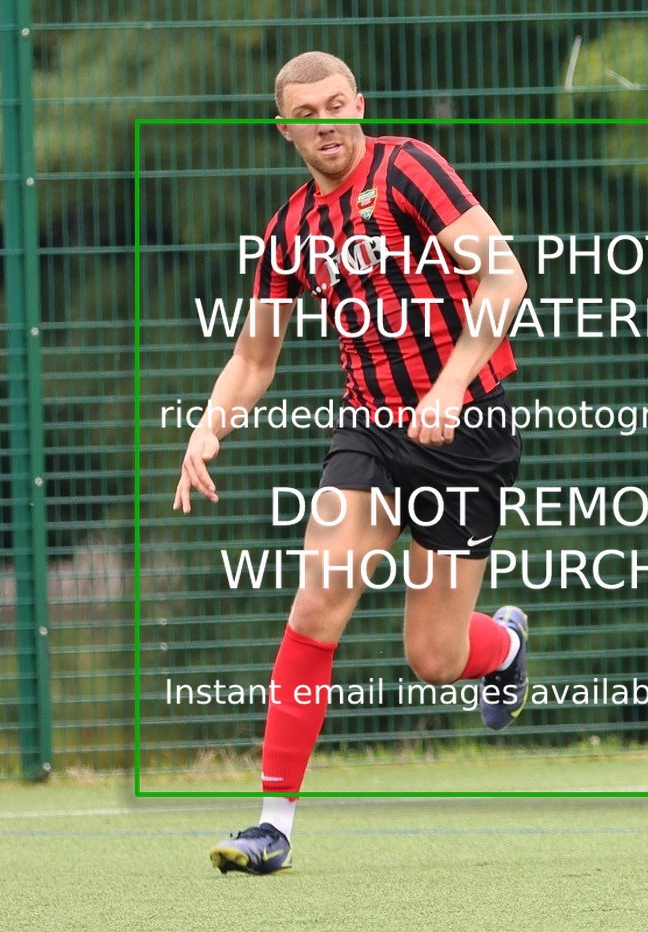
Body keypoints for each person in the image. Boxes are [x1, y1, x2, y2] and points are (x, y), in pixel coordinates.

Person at [173, 51, 529, 875]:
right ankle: (272, 824)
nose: (326, 124)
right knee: (317, 598)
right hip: (368, 431)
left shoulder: (409, 169)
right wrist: (207, 427)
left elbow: (503, 277)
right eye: (308, 114)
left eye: (337, 106)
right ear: (287, 128)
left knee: (434, 658)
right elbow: (255, 358)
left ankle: (502, 648)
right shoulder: (290, 229)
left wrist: (449, 385)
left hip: (464, 429)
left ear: (358, 103)